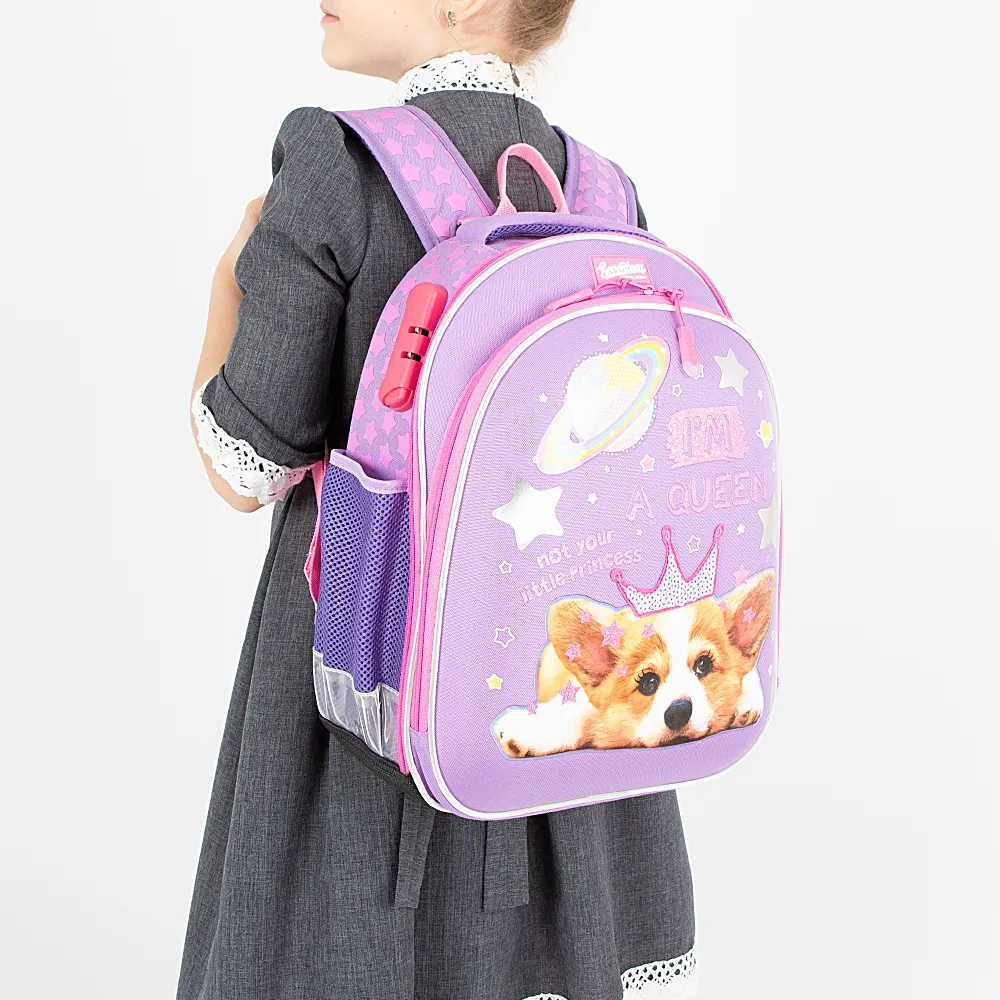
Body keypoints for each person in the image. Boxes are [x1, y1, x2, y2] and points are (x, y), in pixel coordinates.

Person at [183, 2, 698, 997]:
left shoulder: (336, 166)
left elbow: (243, 468)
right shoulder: (603, 193)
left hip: (369, 676)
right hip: (561, 680)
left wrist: (224, 289)